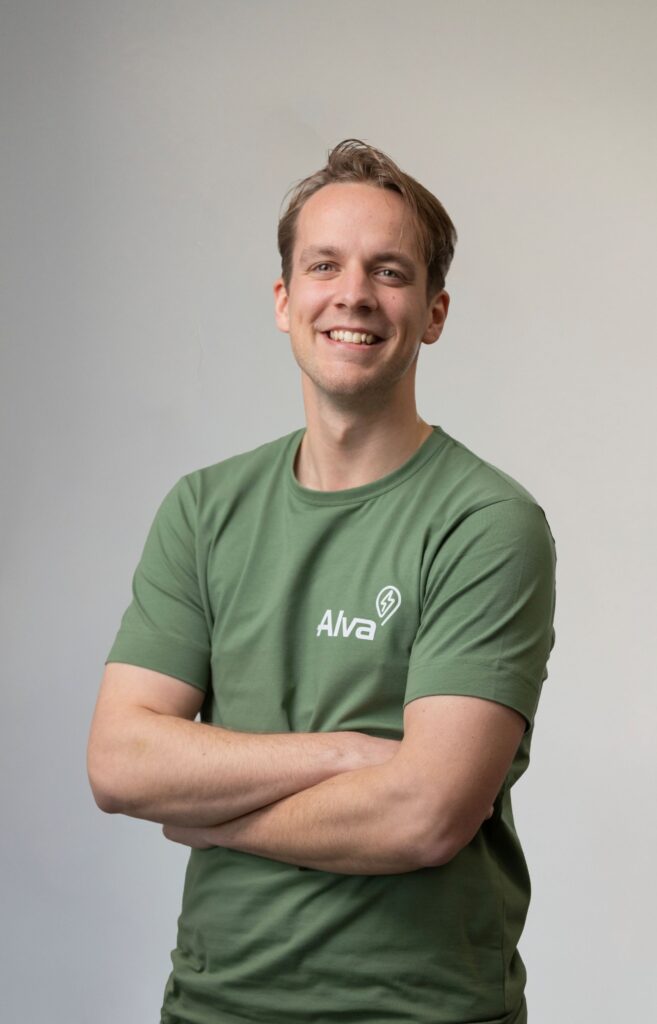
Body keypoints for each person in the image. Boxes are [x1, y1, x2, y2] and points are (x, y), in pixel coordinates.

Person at [87, 139, 557, 1024]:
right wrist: (345, 754)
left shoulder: (485, 522)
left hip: (422, 1011)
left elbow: (424, 815)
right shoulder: (204, 510)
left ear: (433, 312)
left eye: (389, 271)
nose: (353, 294)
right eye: (324, 265)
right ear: (284, 300)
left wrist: (210, 815)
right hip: (213, 1006)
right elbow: (119, 762)